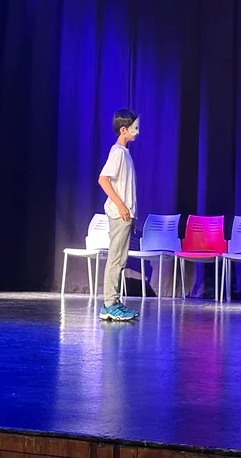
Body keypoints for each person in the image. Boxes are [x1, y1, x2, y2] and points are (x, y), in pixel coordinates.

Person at [97, 109, 141, 322]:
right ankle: (109, 304)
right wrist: (122, 206)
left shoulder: (124, 153)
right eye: (134, 128)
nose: (137, 132)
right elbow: (103, 180)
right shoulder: (117, 153)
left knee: (120, 259)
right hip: (119, 214)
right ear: (123, 130)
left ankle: (113, 302)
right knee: (116, 258)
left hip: (126, 215)